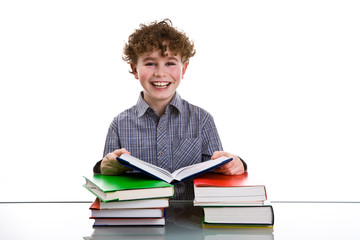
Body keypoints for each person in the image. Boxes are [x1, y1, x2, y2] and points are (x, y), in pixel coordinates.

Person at [93, 19, 247, 199]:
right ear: (135, 69)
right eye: (150, 63)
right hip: (138, 219)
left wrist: (238, 164)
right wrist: (103, 168)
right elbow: (106, 181)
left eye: (170, 63)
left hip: (191, 219)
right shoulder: (119, 124)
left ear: (184, 69)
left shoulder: (202, 119)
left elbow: (219, 174)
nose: (160, 73)